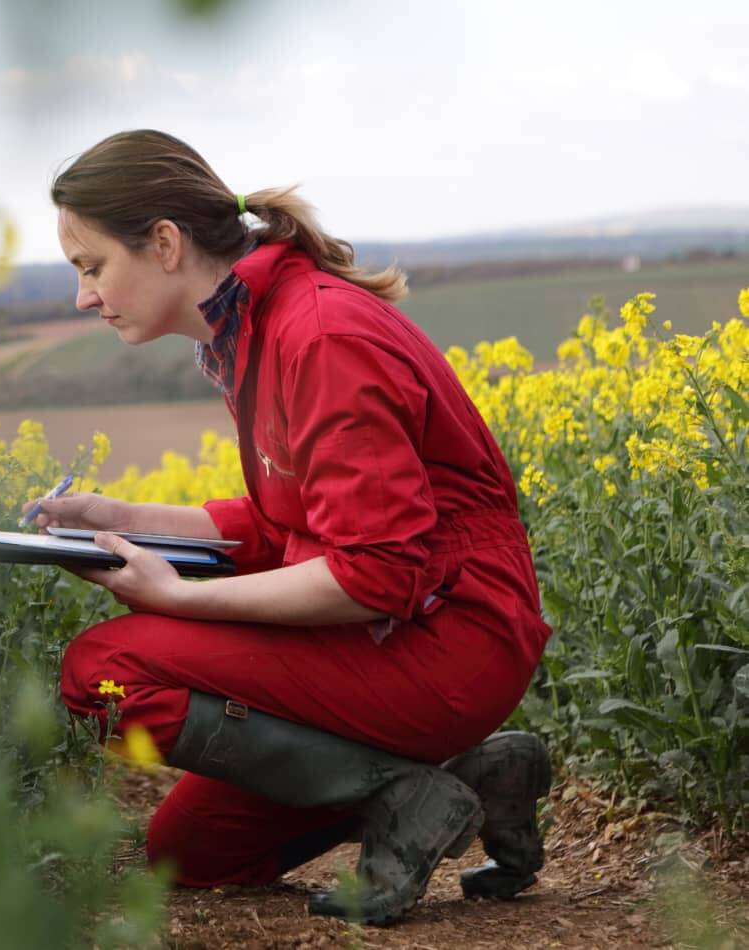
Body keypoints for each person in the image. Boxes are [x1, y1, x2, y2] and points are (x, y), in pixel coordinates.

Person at [29, 129, 553, 925]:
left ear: (164, 244)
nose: (84, 296)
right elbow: (292, 521)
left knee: (104, 671)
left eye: (91, 266)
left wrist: (177, 598)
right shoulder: (255, 330)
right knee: (191, 854)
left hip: (450, 642)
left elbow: (375, 570)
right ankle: (469, 776)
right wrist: (119, 517)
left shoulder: (320, 336)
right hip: (399, 634)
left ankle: (403, 790)